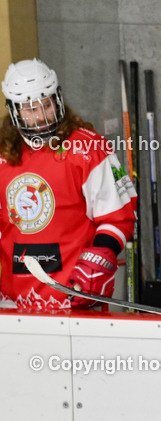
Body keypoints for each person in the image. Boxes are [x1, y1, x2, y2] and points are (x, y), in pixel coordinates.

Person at [0, 58, 136, 309]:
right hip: (12, 302)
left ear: (58, 100)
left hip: (75, 298)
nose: (41, 116)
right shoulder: (2, 157)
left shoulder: (90, 149)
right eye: (31, 109)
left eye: (47, 105)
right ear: (15, 111)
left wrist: (100, 257)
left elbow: (119, 218)